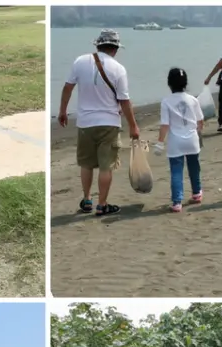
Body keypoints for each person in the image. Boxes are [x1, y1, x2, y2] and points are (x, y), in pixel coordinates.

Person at [57, 28, 140, 216]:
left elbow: (68, 87)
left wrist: (63, 111)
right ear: (115, 49)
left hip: (85, 123)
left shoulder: (80, 61)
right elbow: (124, 101)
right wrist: (133, 125)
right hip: (109, 123)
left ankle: (87, 200)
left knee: (86, 164)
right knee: (106, 166)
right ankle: (102, 205)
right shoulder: (118, 69)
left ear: (98, 45)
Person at [154, 67, 204, 212]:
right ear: (185, 83)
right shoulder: (193, 100)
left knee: (176, 171)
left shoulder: (166, 102)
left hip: (176, 142)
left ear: (169, 84)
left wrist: (159, 143)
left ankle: (177, 202)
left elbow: (165, 125)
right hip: (192, 139)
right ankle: (197, 193)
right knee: (194, 168)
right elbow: (200, 121)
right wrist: (197, 132)